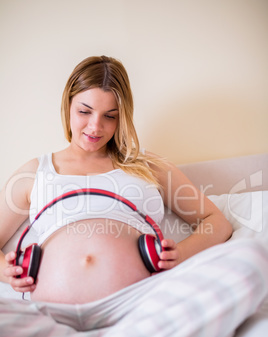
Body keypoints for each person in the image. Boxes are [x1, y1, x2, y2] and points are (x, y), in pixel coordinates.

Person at [0, 55, 233, 304]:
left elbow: (216, 222)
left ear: (122, 117)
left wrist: (181, 254)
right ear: (67, 106)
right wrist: (6, 272)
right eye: (84, 111)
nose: (95, 127)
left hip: (136, 308)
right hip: (53, 313)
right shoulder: (34, 173)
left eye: (110, 116)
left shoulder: (148, 166)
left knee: (252, 258)